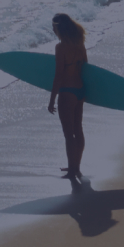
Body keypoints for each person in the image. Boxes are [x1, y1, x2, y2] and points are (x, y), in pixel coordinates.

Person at [45, 12, 88, 184]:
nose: (53, 30)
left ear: (59, 28)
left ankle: (72, 170)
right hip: (79, 91)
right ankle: (76, 167)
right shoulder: (80, 44)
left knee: (68, 134)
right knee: (78, 130)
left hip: (67, 92)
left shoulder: (60, 47)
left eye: (53, 27)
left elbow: (59, 75)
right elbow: (86, 69)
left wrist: (52, 99)